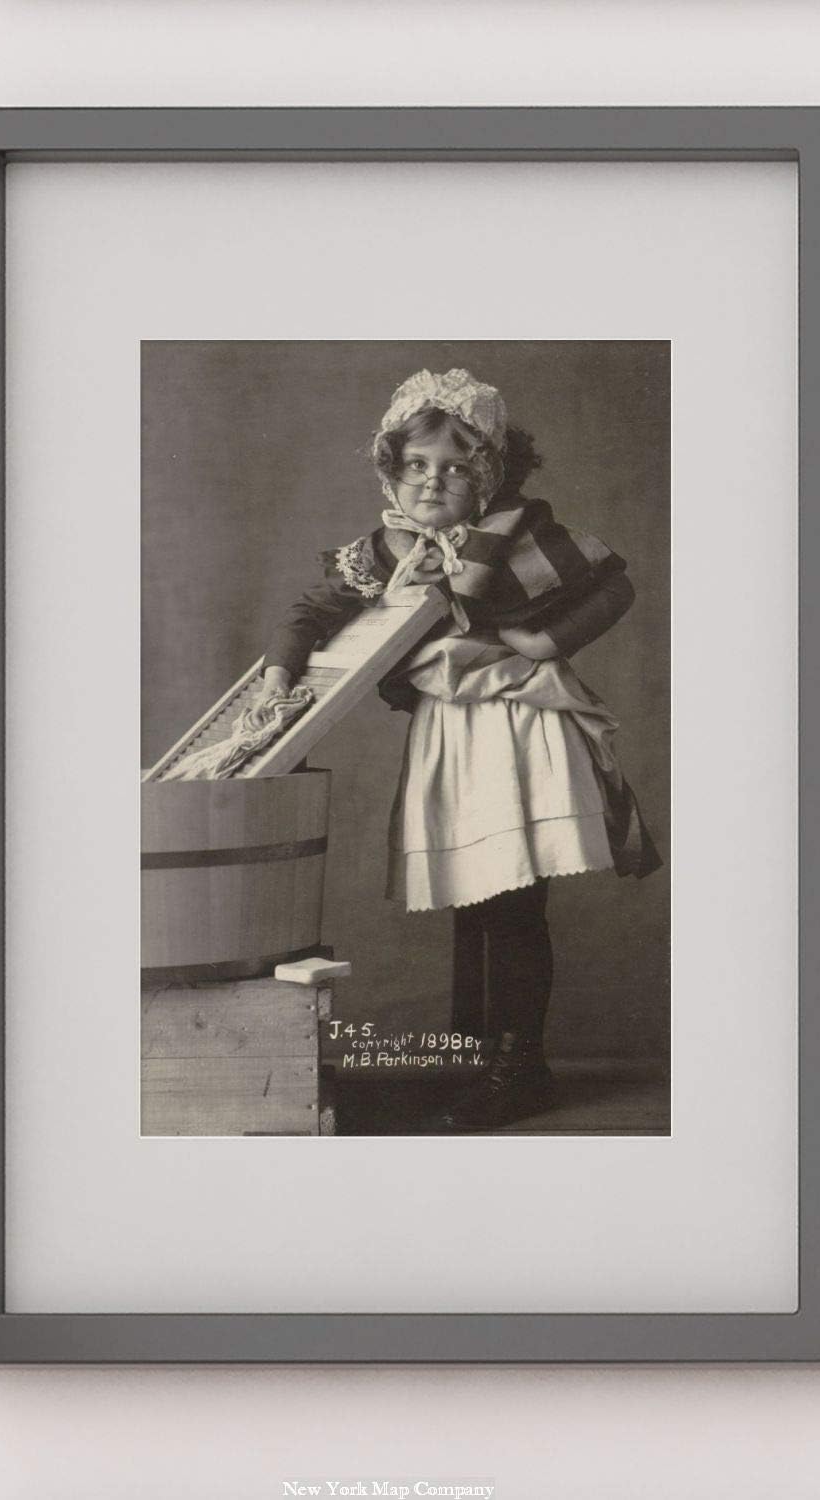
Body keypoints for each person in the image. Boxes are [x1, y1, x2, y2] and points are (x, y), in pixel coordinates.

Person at [259, 367, 661, 1132]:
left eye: (454, 466)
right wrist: (282, 671)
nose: (432, 480)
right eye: (416, 464)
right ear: (391, 467)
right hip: (451, 734)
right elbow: (308, 614)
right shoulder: (385, 551)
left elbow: (612, 588)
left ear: (488, 474)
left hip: (521, 724)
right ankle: (484, 1059)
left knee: (512, 900)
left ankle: (521, 1069)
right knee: (476, 900)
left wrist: (542, 638)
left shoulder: (520, 534)